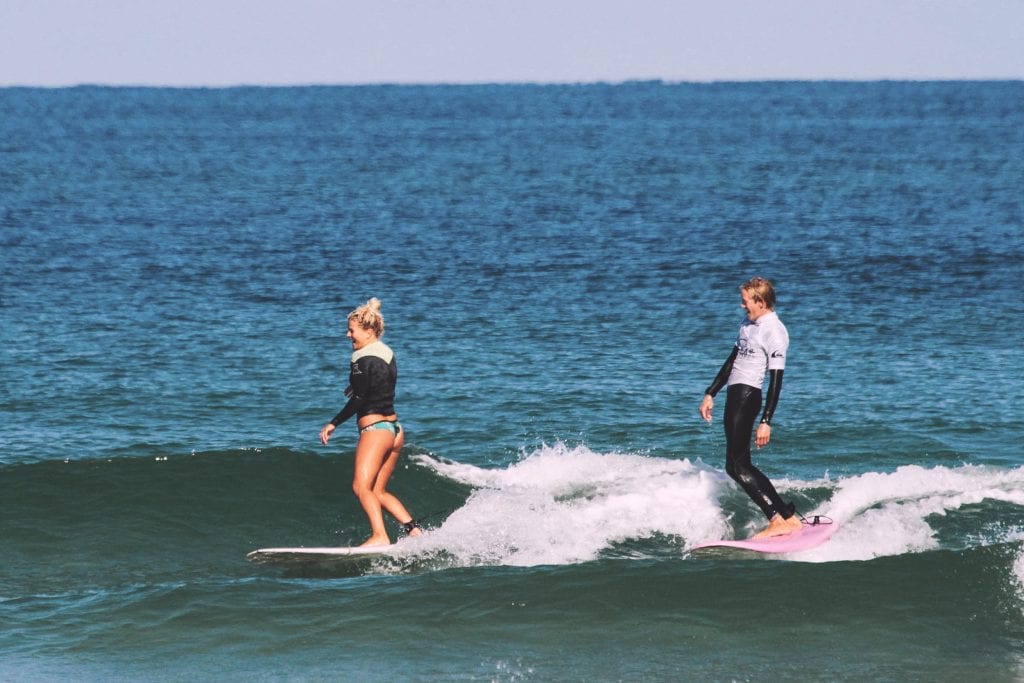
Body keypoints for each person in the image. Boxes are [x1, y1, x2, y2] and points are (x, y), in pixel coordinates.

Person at [698, 277, 801, 539]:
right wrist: (711, 392)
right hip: (734, 394)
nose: (742, 306)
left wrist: (766, 420)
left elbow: (776, 381)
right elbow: (732, 360)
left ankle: (780, 519)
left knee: (738, 466)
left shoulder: (774, 331)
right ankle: (785, 516)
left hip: (747, 396)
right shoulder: (748, 324)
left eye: (746, 301)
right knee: (736, 465)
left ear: (760, 301)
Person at [319, 298, 422, 547]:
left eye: (351, 331)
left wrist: (334, 423)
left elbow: (361, 398)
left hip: (375, 430)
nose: (348, 335)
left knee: (360, 487)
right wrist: (356, 386)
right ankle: (415, 532)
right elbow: (379, 383)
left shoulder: (361, 358)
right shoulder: (386, 353)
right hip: (395, 430)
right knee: (378, 492)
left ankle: (379, 536)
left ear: (368, 331)